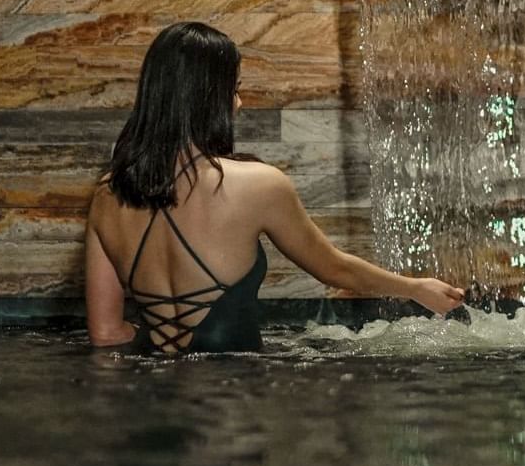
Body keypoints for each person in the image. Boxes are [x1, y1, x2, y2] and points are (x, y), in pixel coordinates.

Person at [86, 21, 465, 353]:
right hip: (234, 406)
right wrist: (415, 288)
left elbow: (107, 334)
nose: (239, 103)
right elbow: (335, 269)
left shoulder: (108, 194)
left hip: (151, 404)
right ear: (208, 98)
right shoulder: (259, 185)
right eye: (233, 90)